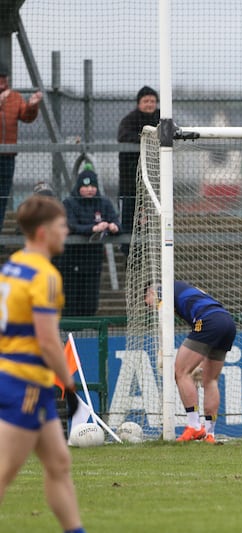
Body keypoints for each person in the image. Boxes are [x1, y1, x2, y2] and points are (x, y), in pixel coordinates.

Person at [0, 194, 85, 533]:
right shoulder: (44, 275)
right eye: (61, 226)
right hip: (27, 383)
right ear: (43, 233)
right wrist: (69, 383)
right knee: (5, 470)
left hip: (19, 377)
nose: (66, 232)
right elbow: (49, 341)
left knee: (59, 463)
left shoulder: (11, 266)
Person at [145, 281, 237, 444]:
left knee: (181, 372)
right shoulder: (186, 288)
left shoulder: (161, 289)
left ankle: (194, 426)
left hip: (208, 322)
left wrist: (162, 351)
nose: (147, 303)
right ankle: (209, 435)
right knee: (210, 380)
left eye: (145, 298)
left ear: (151, 292)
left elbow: (163, 322)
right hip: (227, 322)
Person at [56, 169, 120, 317]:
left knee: (90, 300)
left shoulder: (103, 202)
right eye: (86, 186)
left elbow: (115, 220)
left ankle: (89, 331)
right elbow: (70, 225)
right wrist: (92, 228)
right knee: (70, 298)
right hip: (71, 260)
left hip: (93, 260)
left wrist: (113, 227)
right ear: (79, 187)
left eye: (92, 186)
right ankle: (70, 332)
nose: (90, 190)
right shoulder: (69, 203)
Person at [0, 63, 43, 231]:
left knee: (2, 196)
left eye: (4, 78)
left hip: (8, 156)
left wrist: (32, 105)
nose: (2, 82)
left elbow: (27, 116)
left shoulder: (15, 97)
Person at [117, 86, 159, 247]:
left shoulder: (162, 117)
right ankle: (127, 251)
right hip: (130, 182)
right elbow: (123, 136)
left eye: (152, 101)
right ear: (139, 103)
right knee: (128, 218)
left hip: (155, 181)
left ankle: (152, 251)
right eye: (146, 101)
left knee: (153, 219)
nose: (149, 104)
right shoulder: (129, 120)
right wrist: (146, 139)